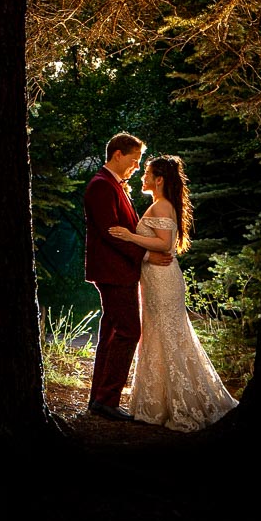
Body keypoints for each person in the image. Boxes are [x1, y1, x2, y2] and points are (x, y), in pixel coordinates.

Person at [106, 154, 238, 431]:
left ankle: (182, 402)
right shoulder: (159, 205)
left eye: (147, 173)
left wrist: (130, 236)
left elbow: (165, 244)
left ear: (159, 180)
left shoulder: (162, 206)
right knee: (157, 334)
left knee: (168, 334)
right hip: (155, 278)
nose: (142, 177)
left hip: (163, 279)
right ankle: (158, 401)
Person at [82, 133, 149, 420]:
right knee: (129, 331)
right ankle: (107, 399)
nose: (137, 166)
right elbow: (110, 232)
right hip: (114, 271)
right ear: (118, 154)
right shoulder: (101, 185)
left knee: (111, 334)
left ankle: (99, 398)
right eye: (135, 160)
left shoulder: (113, 184)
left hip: (118, 270)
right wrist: (144, 255)